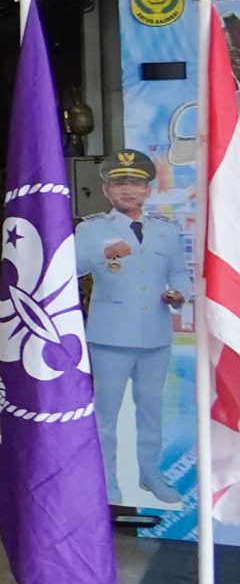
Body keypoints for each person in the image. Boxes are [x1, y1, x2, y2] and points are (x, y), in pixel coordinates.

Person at [76, 148, 184, 504]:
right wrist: (103, 254)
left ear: (148, 190)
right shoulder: (92, 229)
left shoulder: (166, 232)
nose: (127, 190)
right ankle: (107, 481)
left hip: (155, 333)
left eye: (135, 184)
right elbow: (69, 268)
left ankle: (150, 474)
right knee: (105, 412)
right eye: (119, 183)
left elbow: (180, 274)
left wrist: (178, 294)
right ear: (106, 190)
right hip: (110, 336)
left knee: (151, 409)